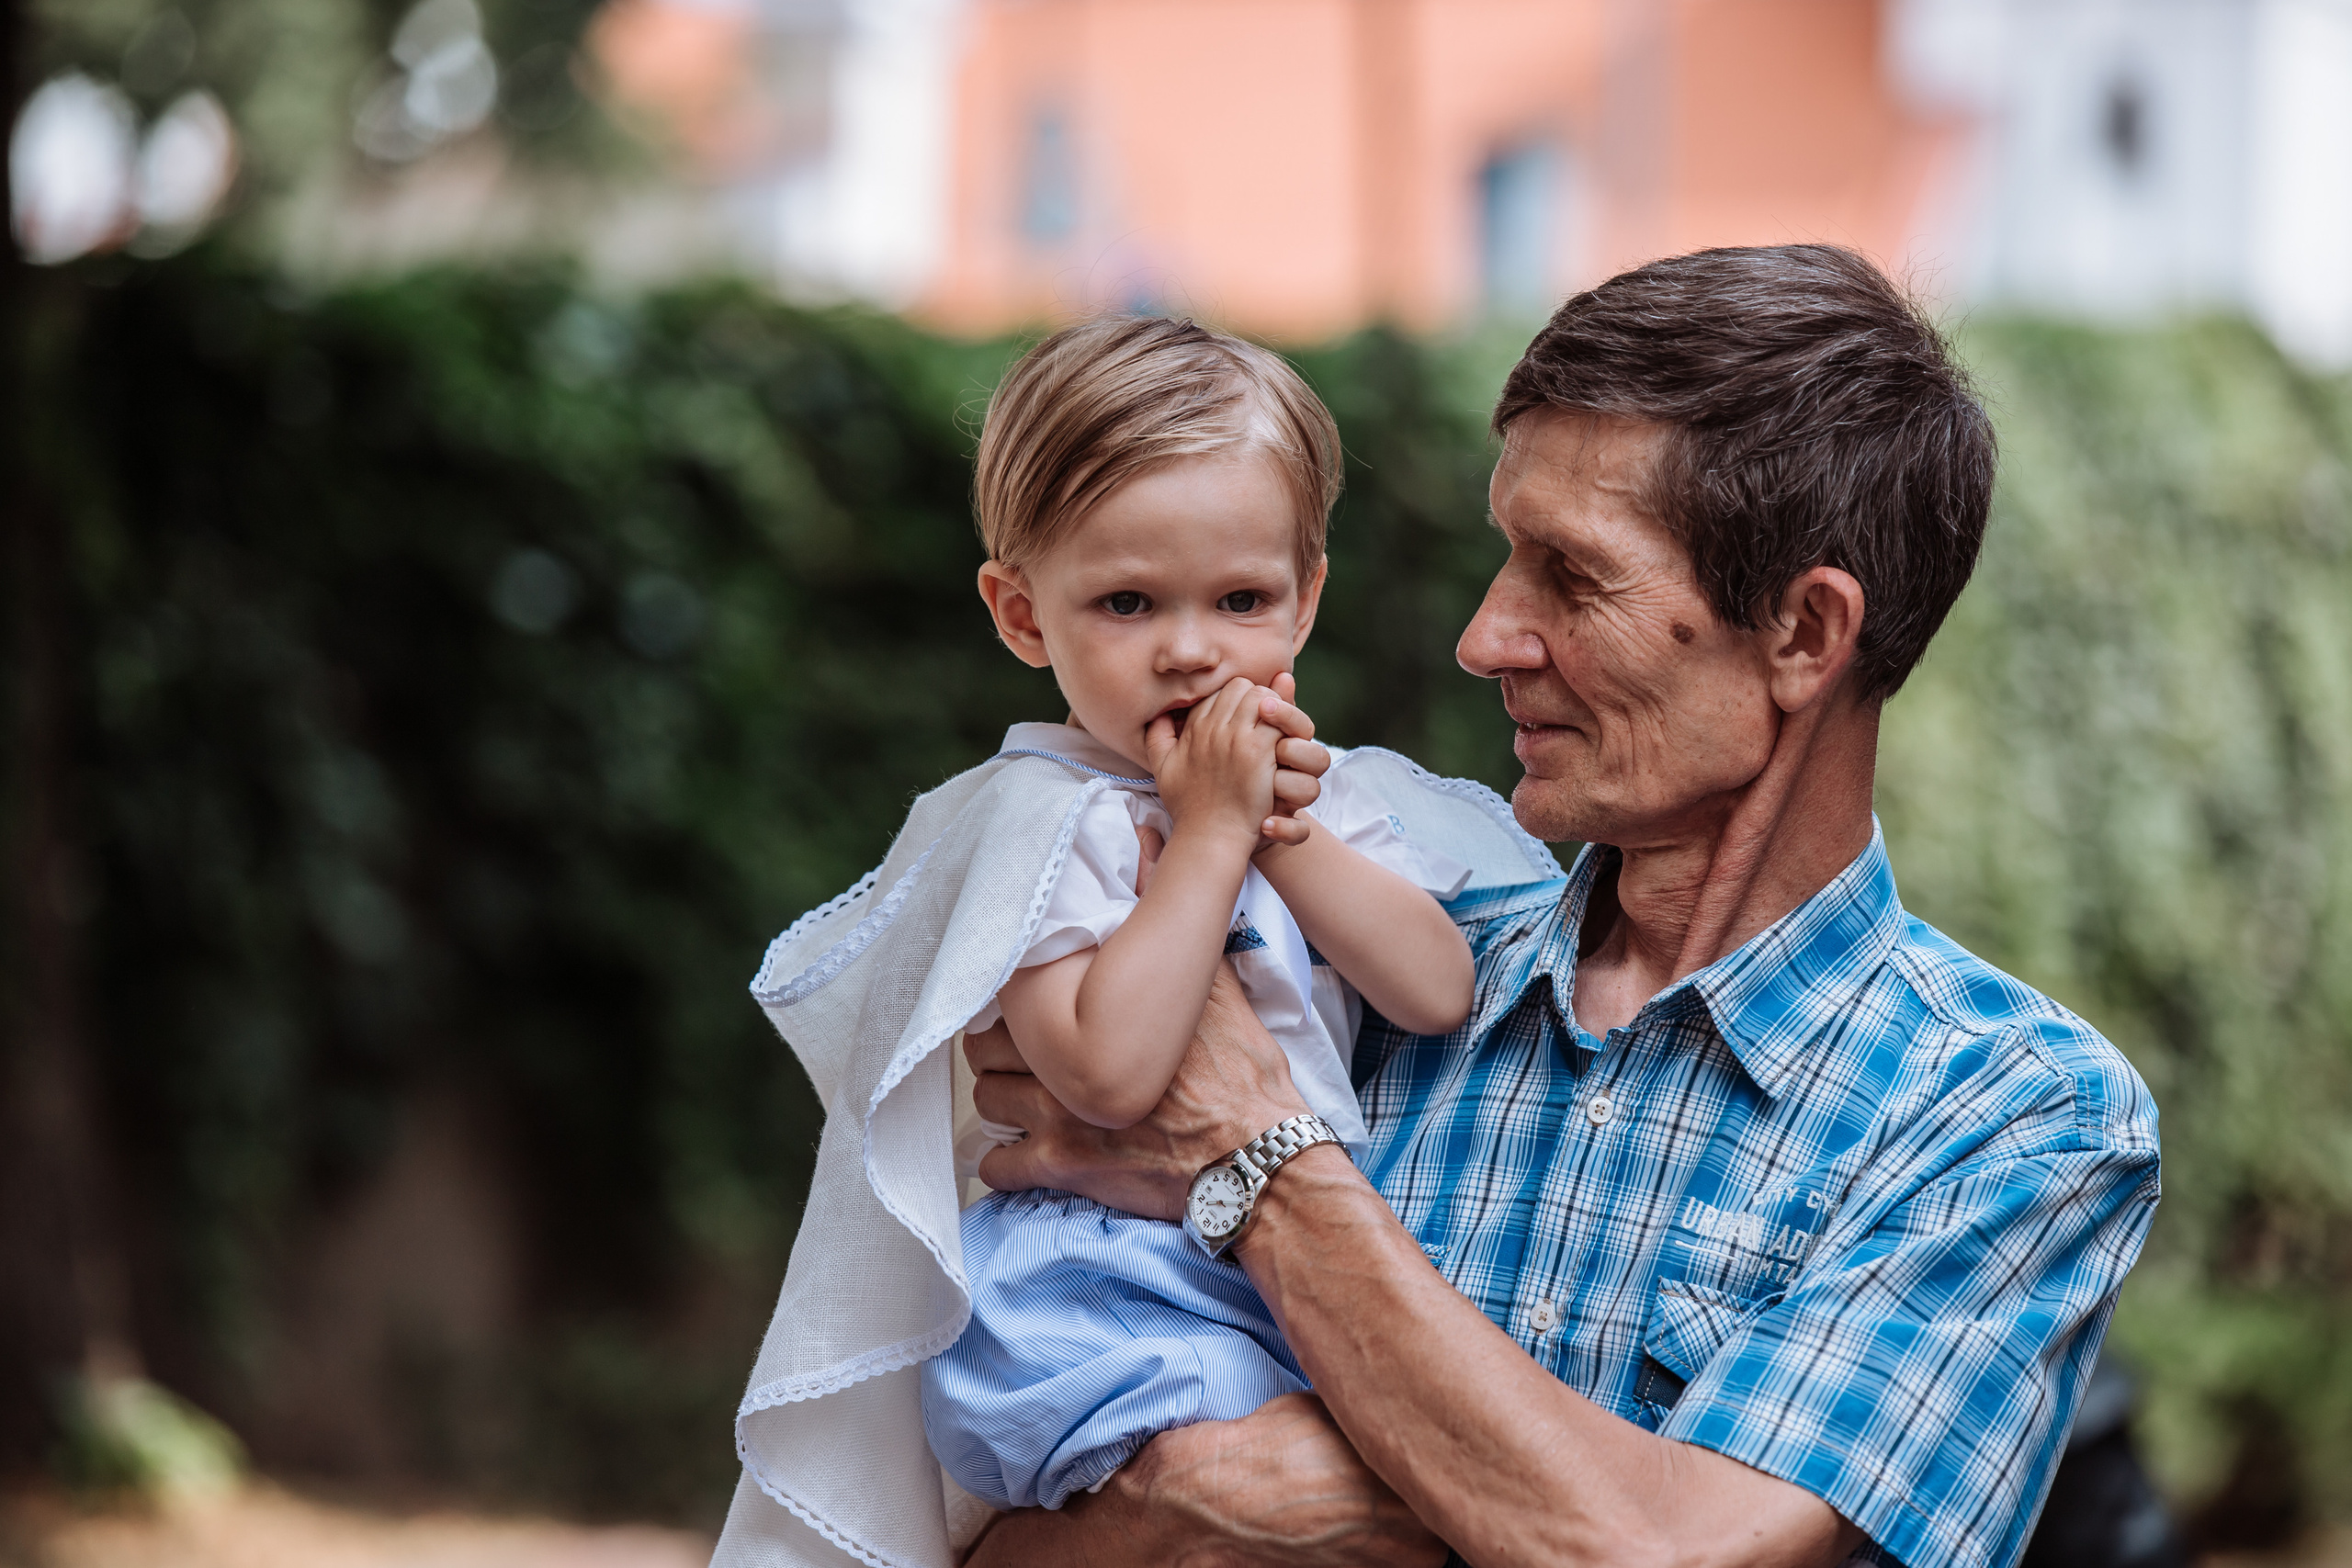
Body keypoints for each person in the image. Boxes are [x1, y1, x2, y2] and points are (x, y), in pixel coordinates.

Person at [958, 245, 2163, 1568]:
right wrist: (1169, 1494)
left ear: (1807, 637)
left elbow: (1658, 1559)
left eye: (1571, 578)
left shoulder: (2008, 1114)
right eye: (1503, 558)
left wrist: (1255, 1157)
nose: (1485, 637)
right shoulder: (1352, 970)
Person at [712, 316, 1545, 1568]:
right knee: (1301, 1508)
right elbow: (1104, 1072)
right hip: (1101, 1306)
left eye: (1243, 599)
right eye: (1127, 602)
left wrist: (1275, 836)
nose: (1193, 647)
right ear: (1021, 614)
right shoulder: (1043, 827)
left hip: (1286, 1277)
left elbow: (1435, 989)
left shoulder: (1324, 803)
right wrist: (1206, 844)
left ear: (1307, 598)